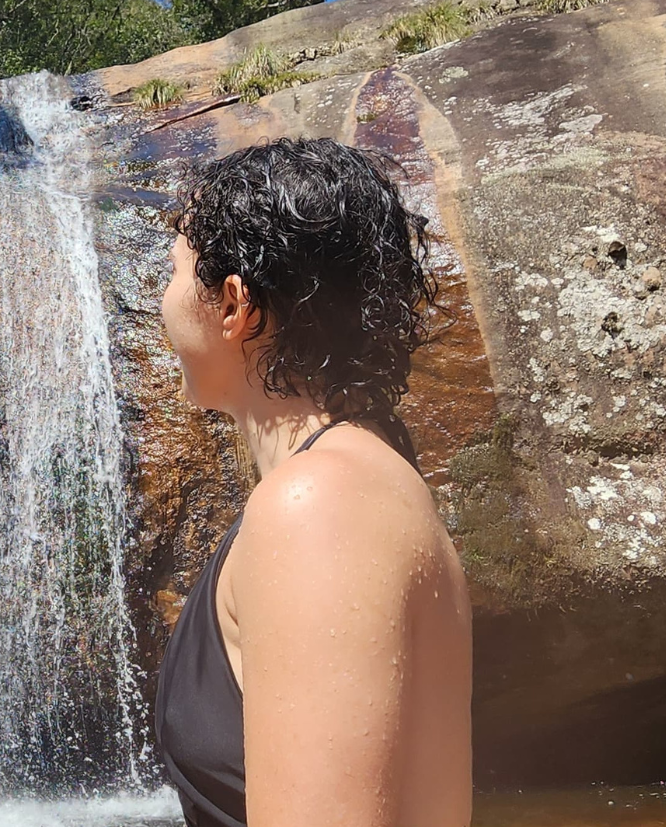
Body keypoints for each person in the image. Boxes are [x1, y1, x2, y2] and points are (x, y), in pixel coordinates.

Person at [154, 137, 473, 827]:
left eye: (174, 272)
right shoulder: (355, 478)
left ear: (235, 304)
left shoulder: (321, 506)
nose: (164, 298)